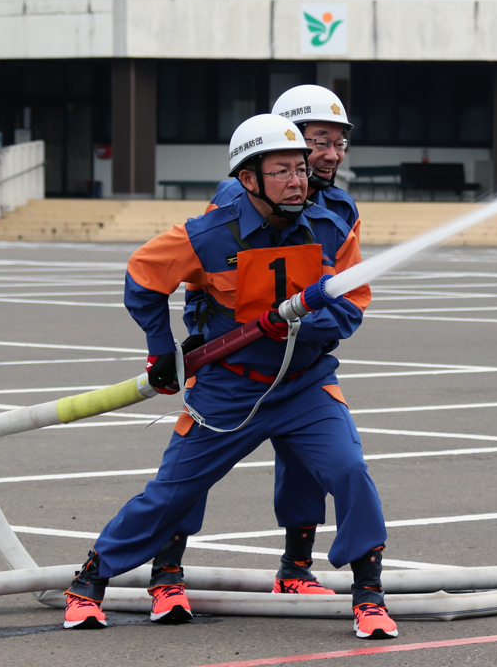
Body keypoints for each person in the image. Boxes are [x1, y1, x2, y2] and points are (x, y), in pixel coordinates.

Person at [61, 114, 397, 640]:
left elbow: (350, 307)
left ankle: (369, 595)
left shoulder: (331, 224)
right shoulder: (210, 232)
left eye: (301, 169)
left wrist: (298, 322)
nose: (298, 180)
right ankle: (90, 581)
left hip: (305, 384)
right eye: (282, 170)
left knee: (349, 470)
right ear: (248, 180)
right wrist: (160, 354)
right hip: (230, 387)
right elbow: (143, 277)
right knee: (173, 491)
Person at [151, 85, 359, 601]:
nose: (328, 155)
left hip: (297, 361)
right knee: (189, 471)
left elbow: (342, 291)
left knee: (309, 465)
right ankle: (166, 573)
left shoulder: (339, 206)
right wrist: (167, 349)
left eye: (338, 143)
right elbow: (194, 266)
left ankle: (295, 569)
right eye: (318, 142)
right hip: (228, 360)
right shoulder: (237, 198)